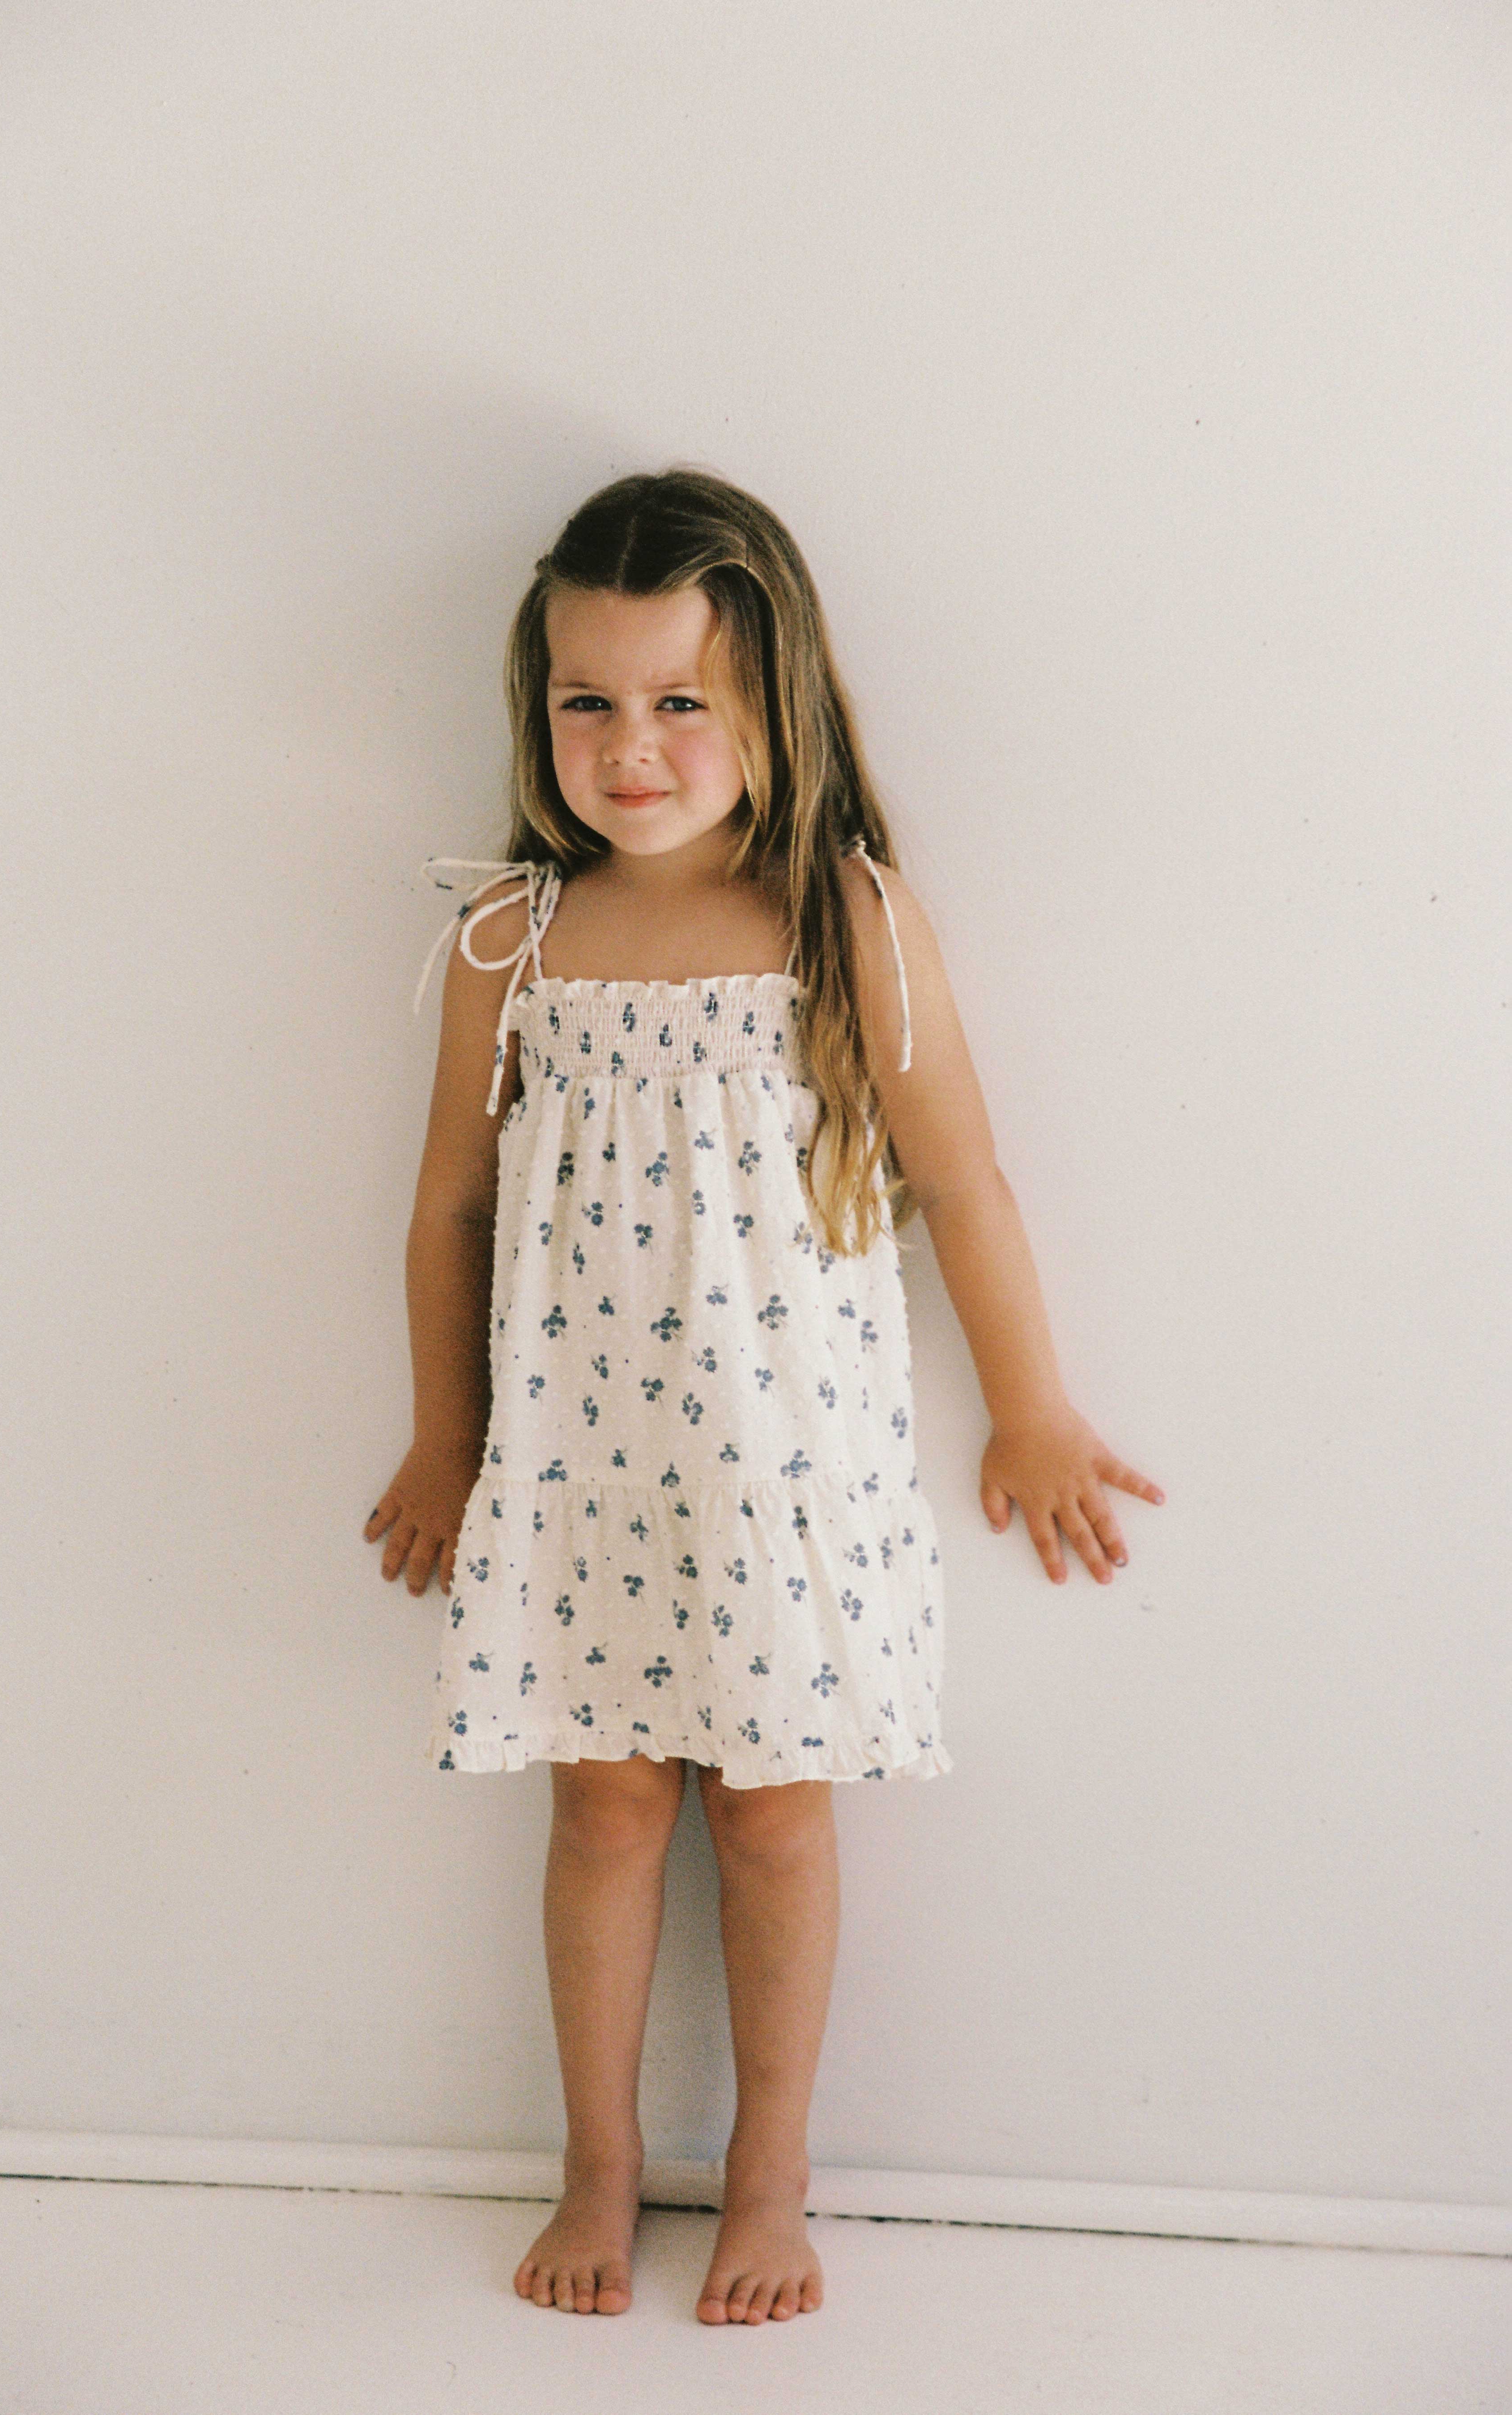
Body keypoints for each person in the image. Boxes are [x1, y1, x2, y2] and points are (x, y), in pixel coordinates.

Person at [365, 467, 1163, 2326]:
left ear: (769, 703)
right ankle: (598, 2164)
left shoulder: (844, 920)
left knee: (778, 1816)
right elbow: (448, 1211)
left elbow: (964, 1180)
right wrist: (446, 1437)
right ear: (537, 704)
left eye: (679, 702)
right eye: (589, 701)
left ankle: (776, 2180)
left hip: (776, 1468)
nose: (630, 747)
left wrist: (1031, 1406)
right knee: (605, 1811)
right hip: (581, 1471)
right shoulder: (514, 943)